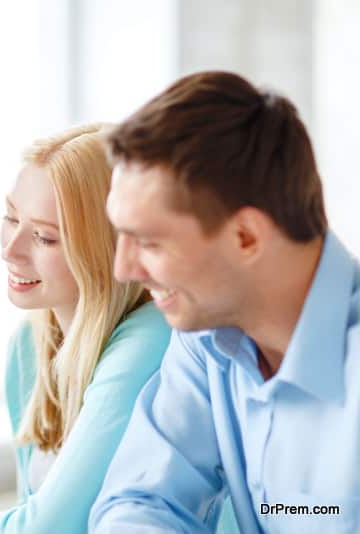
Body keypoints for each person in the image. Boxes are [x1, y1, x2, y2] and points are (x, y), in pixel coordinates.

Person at [87, 71, 353, 533]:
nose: (124, 270)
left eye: (148, 243)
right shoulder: (207, 338)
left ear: (245, 236)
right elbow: (138, 500)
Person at [0, 124, 171, 534]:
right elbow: (40, 514)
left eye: (44, 237)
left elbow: (48, 528)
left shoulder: (152, 339)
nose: (10, 249)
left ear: (106, 250)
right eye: (10, 217)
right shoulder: (29, 348)